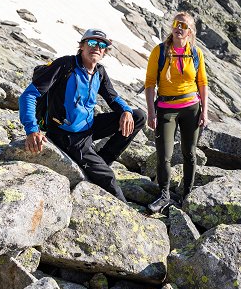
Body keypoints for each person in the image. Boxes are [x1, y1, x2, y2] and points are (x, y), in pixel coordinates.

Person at [19, 29, 145, 202]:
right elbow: (29, 95)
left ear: (104, 52)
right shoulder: (65, 66)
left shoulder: (99, 72)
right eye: (92, 43)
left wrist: (126, 111)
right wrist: (32, 129)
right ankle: (125, 207)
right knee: (107, 177)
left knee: (138, 116)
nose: (97, 47)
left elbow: (113, 97)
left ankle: (102, 159)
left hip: (88, 127)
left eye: (102, 45)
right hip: (67, 135)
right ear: (82, 46)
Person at [145, 12, 209, 213]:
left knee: (189, 153)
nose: (178, 27)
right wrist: (150, 112)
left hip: (191, 108)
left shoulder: (196, 53)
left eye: (184, 25)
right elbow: (149, 84)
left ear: (190, 32)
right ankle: (164, 195)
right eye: (176, 23)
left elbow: (202, 83)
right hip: (166, 109)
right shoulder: (160, 51)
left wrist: (204, 112)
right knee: (164, 154)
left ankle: (187, 195)